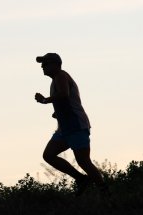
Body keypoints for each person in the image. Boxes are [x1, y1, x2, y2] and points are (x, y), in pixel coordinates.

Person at [34, 53, 109, 196]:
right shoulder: (55, 79)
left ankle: (104, 192)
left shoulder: (61, 76)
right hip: (65, 128)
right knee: (49, 155)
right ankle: (81, 179)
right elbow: (66, 100)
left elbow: (64, 94)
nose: (43, 66)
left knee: (84, 162)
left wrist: (45, 100)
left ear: (56, 64)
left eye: (46, 63)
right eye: (42, 64)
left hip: (76, 126)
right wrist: (58, 113)